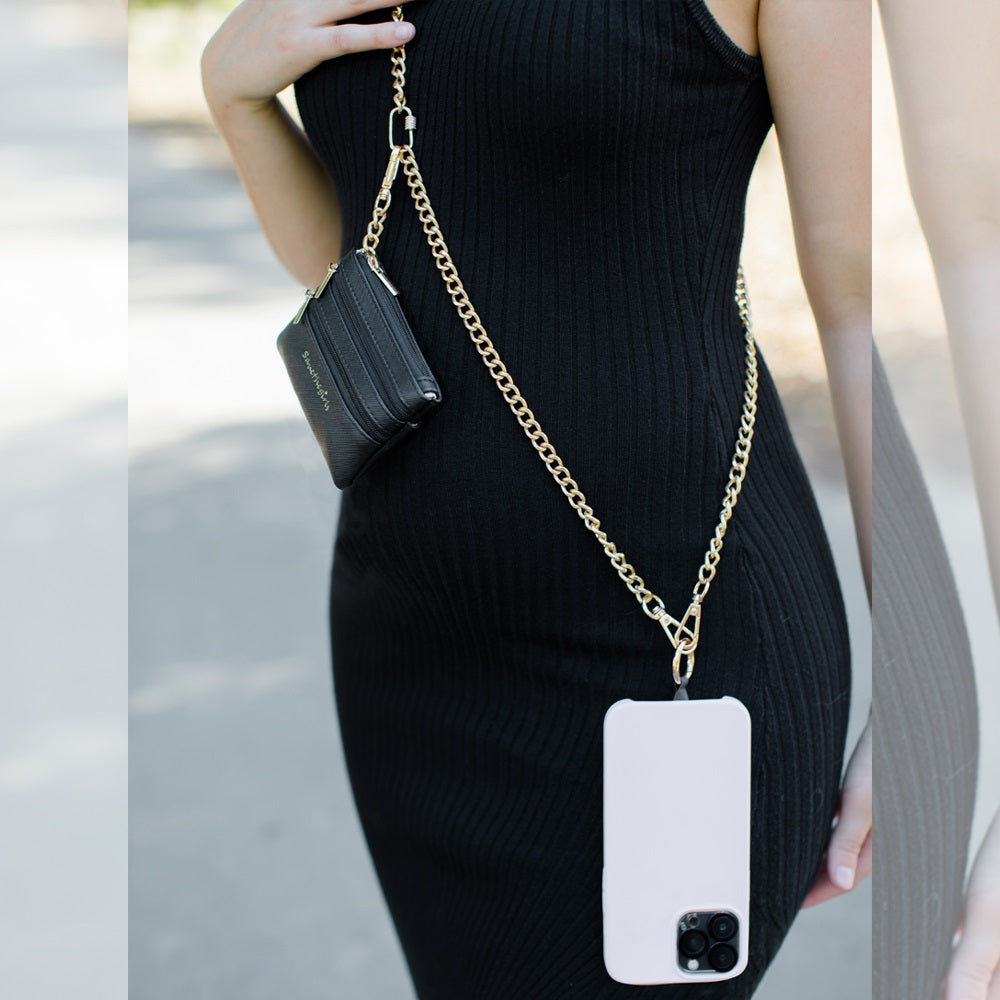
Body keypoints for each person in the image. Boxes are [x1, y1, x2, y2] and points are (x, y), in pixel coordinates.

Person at [201, 1, 872, 996]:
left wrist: (926, 692)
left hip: (680, 644)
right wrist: (234, 97)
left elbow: (856, 310)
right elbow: (379, 278)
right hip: (414, 652)